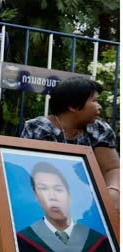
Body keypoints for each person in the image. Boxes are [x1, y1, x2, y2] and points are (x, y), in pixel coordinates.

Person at [21, 77, 120, 213]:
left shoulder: (100, 129)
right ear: (73, 105)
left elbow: (112, 168)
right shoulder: (39, 128)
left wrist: (114, 191)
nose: (99, 106)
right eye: (95, 101)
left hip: (90, 206)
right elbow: (30, 171)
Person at [16, 162, 112, 251]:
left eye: (58, 189)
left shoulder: (98, 240)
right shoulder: (21, 241)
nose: (52, 196)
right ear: (36, 197)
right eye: (43, 189)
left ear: (69, 196)